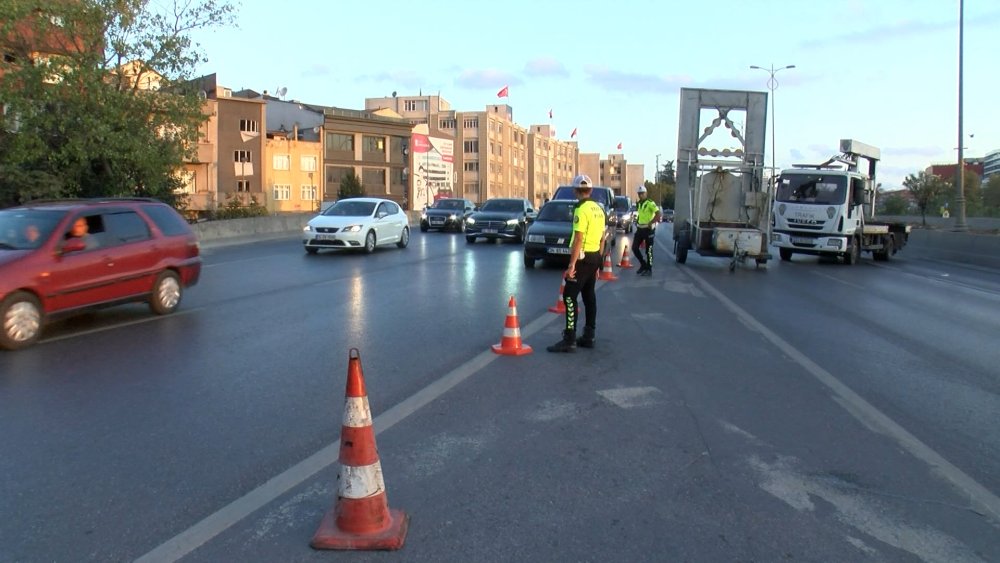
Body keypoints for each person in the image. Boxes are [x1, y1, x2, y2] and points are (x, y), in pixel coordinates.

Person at [548, 174, 606, 353]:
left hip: (582, 258)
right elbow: (603, 237)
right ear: (591, 190)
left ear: (575, 191)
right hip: (595, 255)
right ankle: (589, 335)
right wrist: (599, 261)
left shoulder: (581, 209)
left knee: (569, 296)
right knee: (589, 296)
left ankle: (569, 338)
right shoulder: (598, 208)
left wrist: (572, 265)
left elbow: (579, 238)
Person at [632, 185, 661, 276]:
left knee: (649, 250)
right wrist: (637, 221)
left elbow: (658, 214)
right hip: (640, 229)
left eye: (642, 193)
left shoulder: (650, 203)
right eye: (639, 194)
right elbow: (640, 214)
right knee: (634, 247)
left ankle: (649, 268)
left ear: (646, 193)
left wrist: (651, 222)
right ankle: (643, 264)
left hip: (649, 229)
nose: (640, 195)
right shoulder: (639, 203)